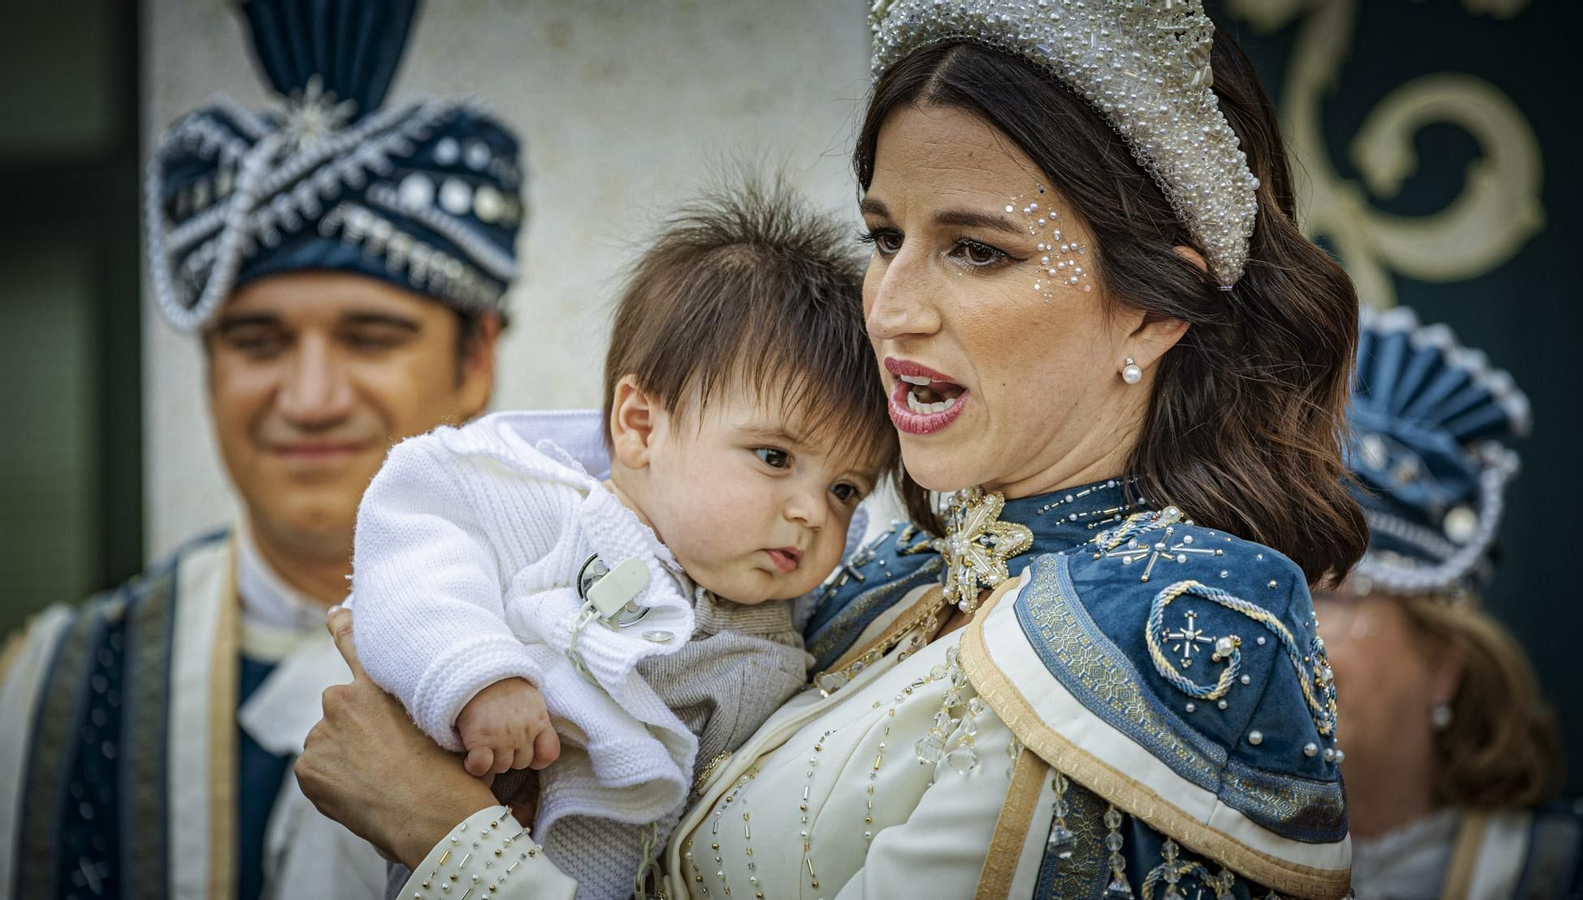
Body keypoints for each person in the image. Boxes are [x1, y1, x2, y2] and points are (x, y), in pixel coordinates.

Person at [297, 1, 1368, 896]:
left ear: (1149, 306)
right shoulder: (880, 584)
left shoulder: (1173, 629)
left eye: (975, 250)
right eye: (884, 238)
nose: (891, 310)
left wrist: (443, 838)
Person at [0, 1, 526, 897]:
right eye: (258, 342)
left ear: (474, 359)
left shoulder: (594, 647)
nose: (310, 398)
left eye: (368, 336)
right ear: (208, 369)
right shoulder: (51, 685)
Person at [349, 183, 896, 900]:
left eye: (845, 489)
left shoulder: (785, 641)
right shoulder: (537, 504)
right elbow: (412, 545)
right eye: (773, 457)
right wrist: (477, 675)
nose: (812, 514)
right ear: (640, 426)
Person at [1315, 307, 1583, 899]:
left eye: (1328, 595)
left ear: (1444, 661)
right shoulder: (1192, 870)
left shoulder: (1568, 873)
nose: (1280, 626)